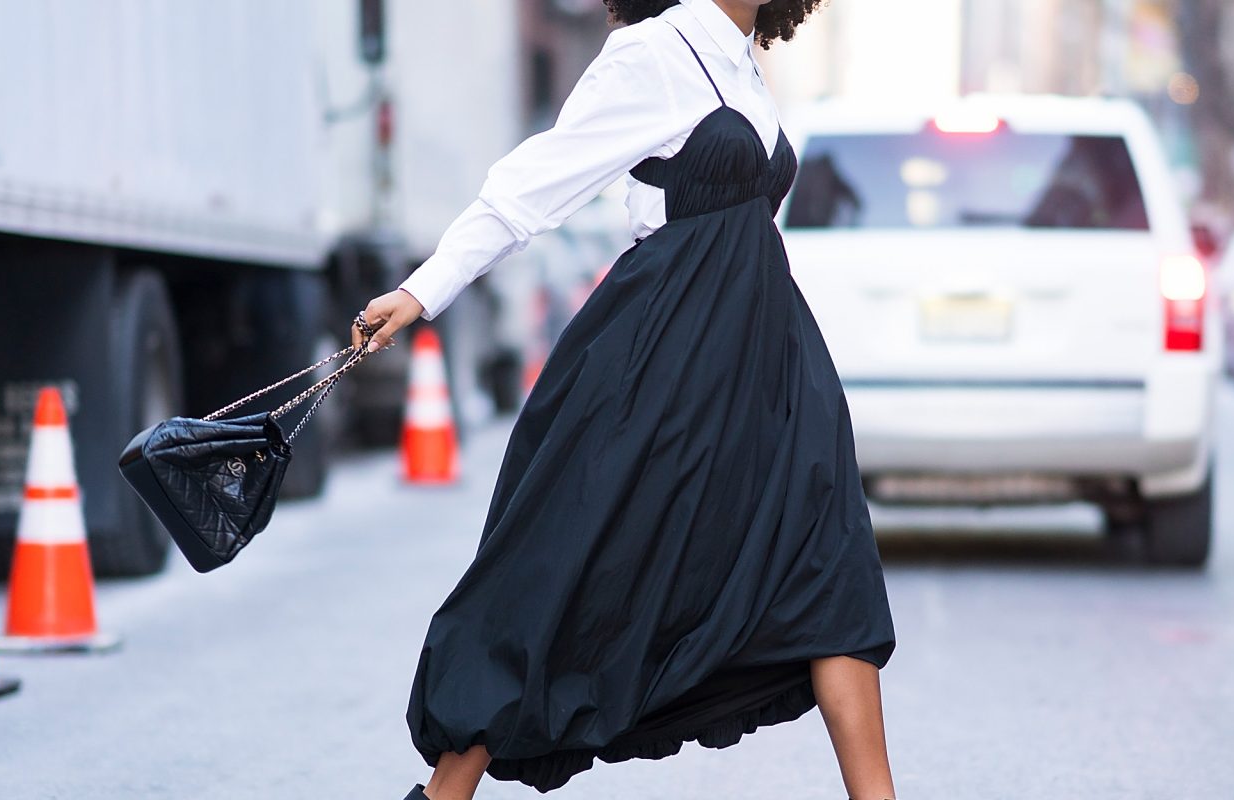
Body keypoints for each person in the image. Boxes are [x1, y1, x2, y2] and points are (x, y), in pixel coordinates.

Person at [355, 1, 897, 797]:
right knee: (566, 566)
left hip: (771, 358)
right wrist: (422, 291)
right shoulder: (652, 52)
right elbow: (533, 186)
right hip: (664, 357)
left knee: (831, 563)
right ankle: (445, 791)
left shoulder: (745, 64)